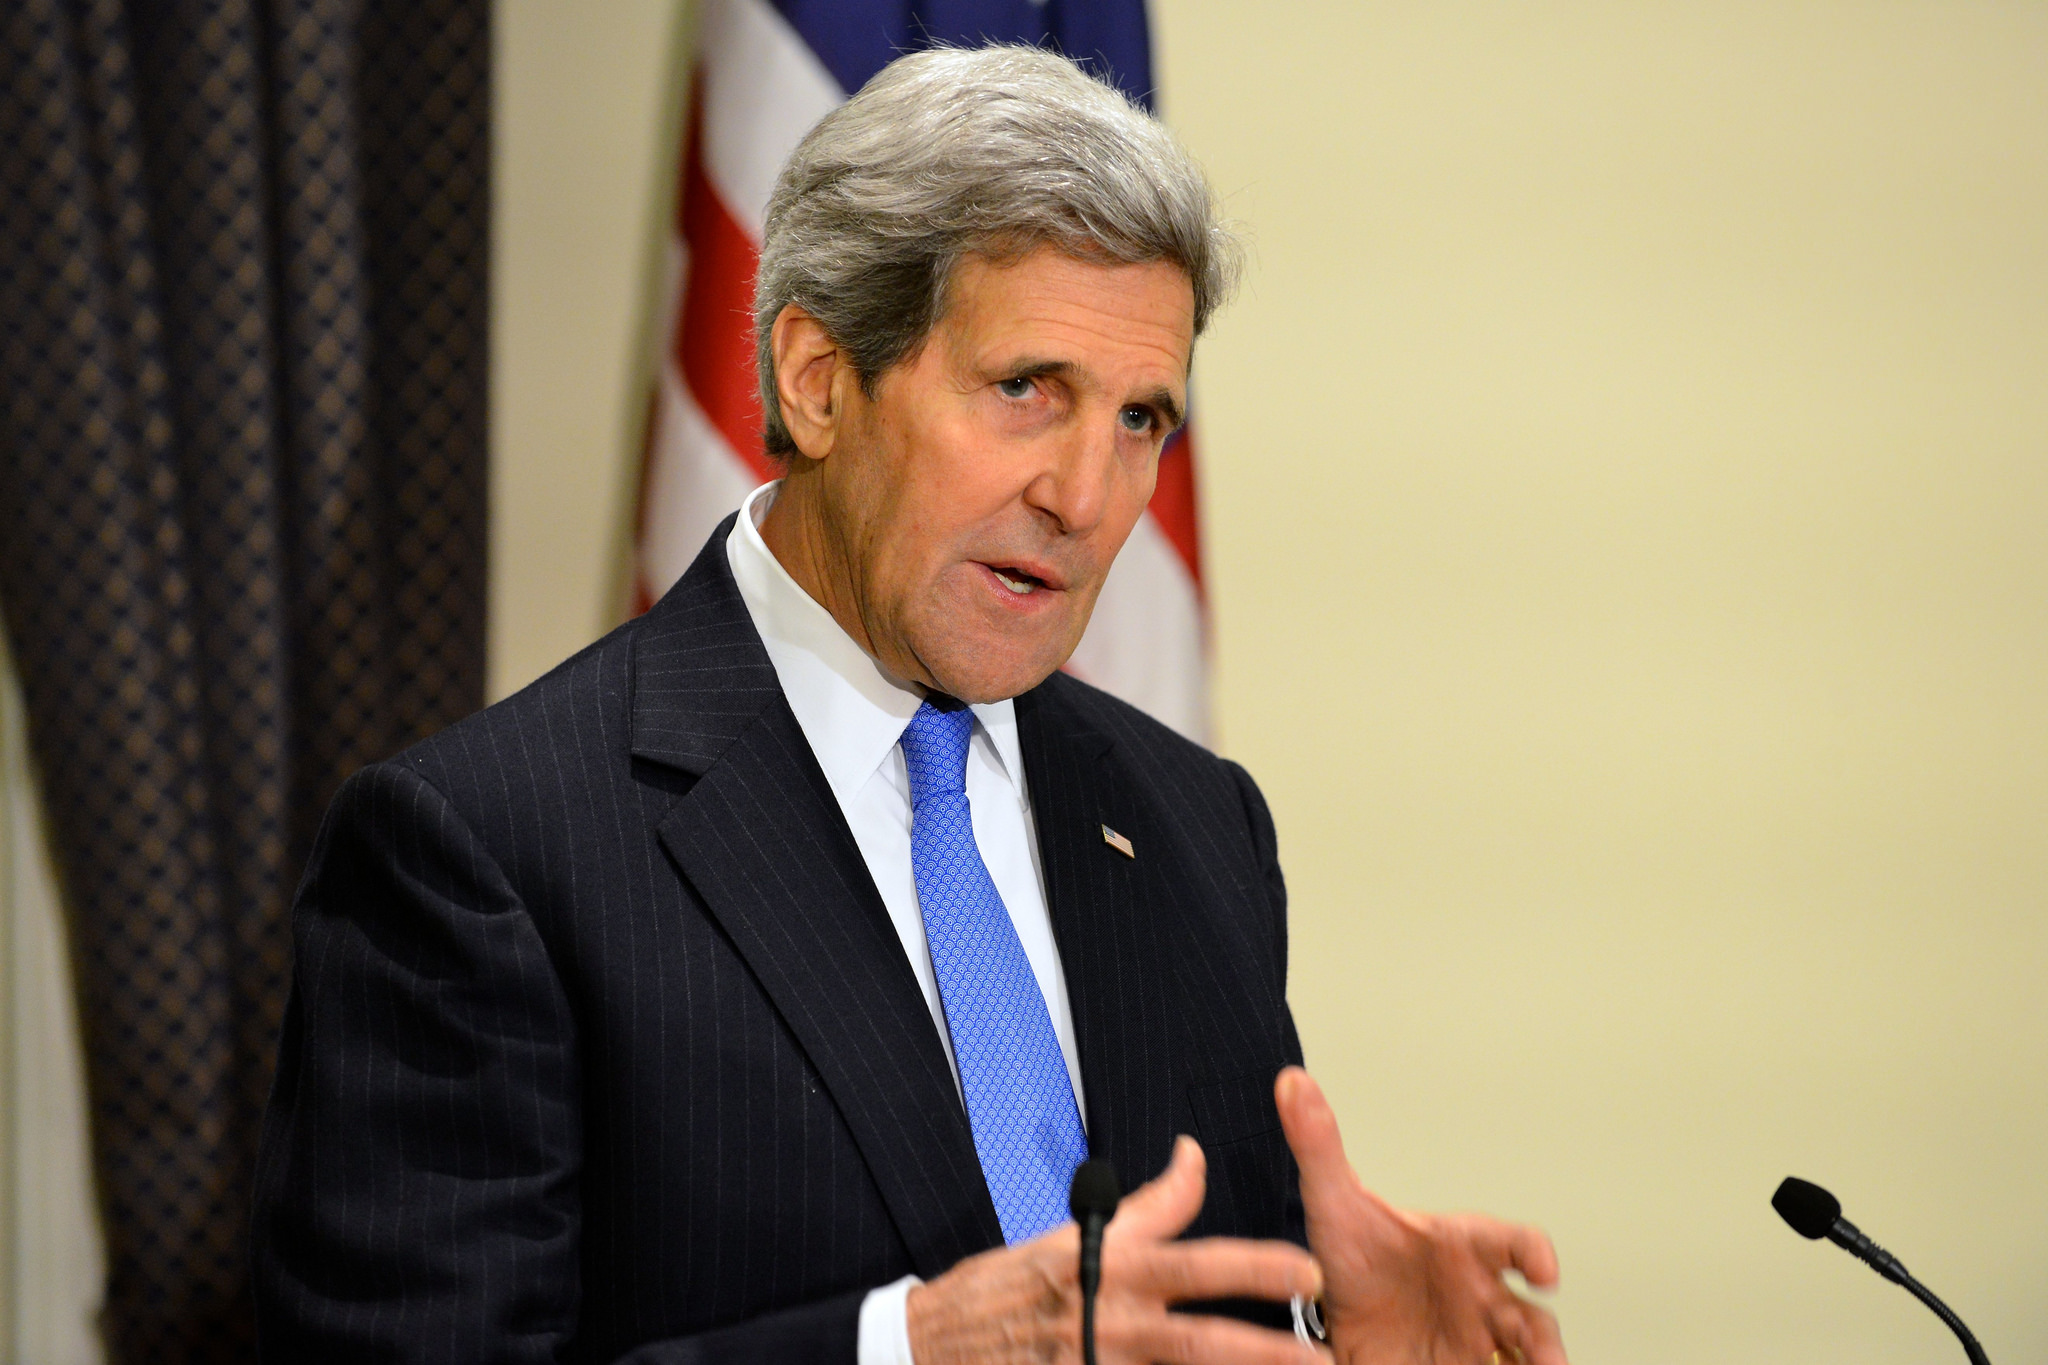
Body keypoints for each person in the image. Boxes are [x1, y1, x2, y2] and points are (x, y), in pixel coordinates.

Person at [252, 45, 1566, 1365]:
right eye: (1026, 391)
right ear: (820, 381)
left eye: (1139, 420)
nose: (1088, 497)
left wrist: (1334, 1338)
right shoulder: (487, 851)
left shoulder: (1193, 823)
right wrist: (903, 1350)